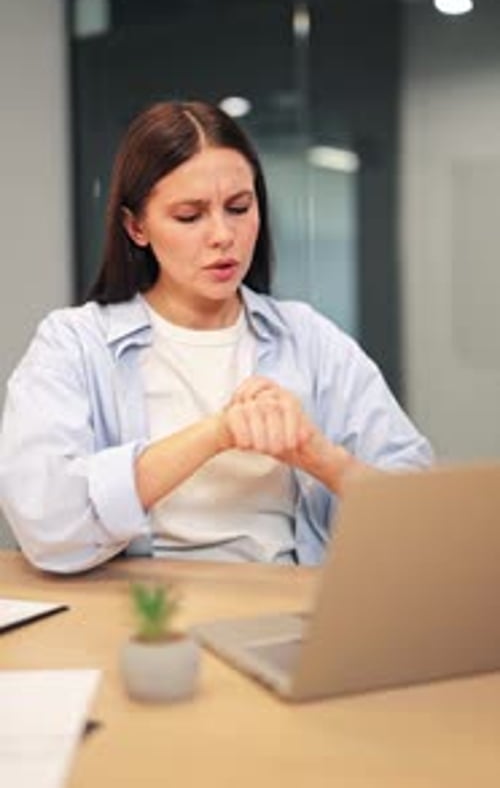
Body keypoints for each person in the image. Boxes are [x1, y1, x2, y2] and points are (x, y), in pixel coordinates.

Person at [0, 101, 433, 573]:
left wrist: (316, 454)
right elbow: (46, 526)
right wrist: (218, 432)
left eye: (239, 208)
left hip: (283, 602)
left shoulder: (308, 338)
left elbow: (421, 516)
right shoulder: (74, 343)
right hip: (140, 614)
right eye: (190, 216)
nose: (223, 235)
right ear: (136, 226)